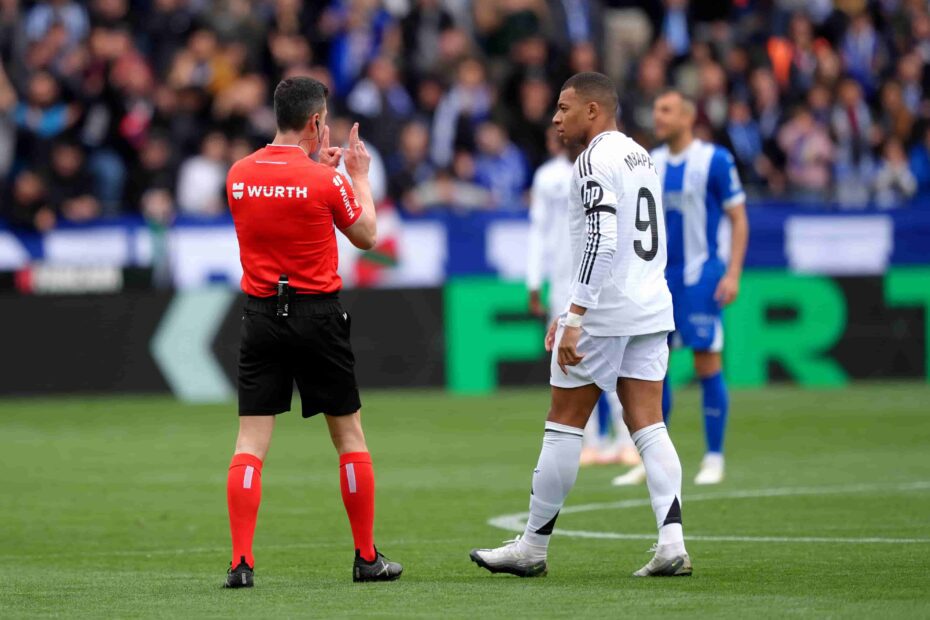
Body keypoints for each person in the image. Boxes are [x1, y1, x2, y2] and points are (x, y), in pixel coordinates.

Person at [470, 72, 691, 578]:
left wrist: (574, 315)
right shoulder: (641, 155)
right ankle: (672, 542)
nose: (555, 117)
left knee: (564, 421)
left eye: (564, 107)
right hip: (651, 306)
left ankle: (532, 547)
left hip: (607, 312)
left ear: (594, 111)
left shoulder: (593, 160)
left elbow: (602, 239)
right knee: (649, 423)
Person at [222, 76, 403, 588]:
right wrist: (358, 176)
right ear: (317, 122)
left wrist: (315, 173)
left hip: (260, 315)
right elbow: (367, 235)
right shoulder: (327, 181)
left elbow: (281, 202)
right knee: (349, 437)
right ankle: (366, 558)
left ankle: (241, 563)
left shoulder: (238, 175)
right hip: (318, 315)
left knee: (249, 443)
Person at [625, 89, 748, 487]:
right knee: (653, 368)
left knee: (705, 362)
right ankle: (651, 460)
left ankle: (714, 457)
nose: (657, 117)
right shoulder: (649, 162)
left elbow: (738, 217)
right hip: (660, 279)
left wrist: (732, 273)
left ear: (687, 117)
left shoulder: (715, 159)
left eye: (666, 110)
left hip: (701, 276)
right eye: (656, 109)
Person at [526, 126, 639, 468]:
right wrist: (534, 281)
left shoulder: (603, 165)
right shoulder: (547, 178)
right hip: (563, 281)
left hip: (603, 279)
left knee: (616, 361)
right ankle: (591, 442)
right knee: (572, 362)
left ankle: (626, 440)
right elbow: (539, 230)